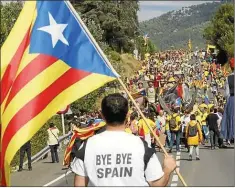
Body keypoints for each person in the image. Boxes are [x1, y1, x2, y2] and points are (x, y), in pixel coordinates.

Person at [71, 93, 176, 186]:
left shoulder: (87, 146)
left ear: (102, 114)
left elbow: (79, 184)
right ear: (127, 115)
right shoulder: (141, 146)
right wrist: (167, 169)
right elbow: (157, 184)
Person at [221, 57, 234, 142]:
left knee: (230, 118)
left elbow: (226, 93)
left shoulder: (228, 78)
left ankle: (231, 135)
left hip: (232, 98)